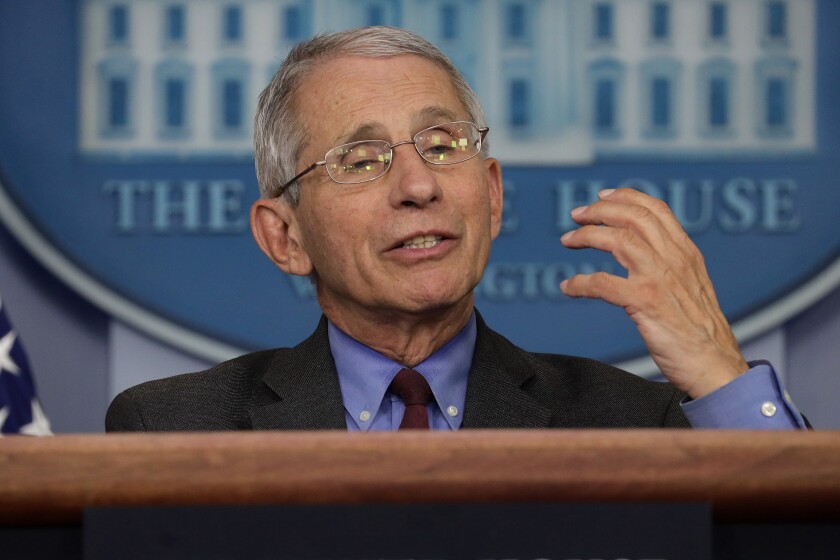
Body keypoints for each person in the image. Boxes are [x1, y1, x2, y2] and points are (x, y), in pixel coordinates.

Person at [106, 26, 805, 432]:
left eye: (443, 145)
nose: (419, 186)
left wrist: (722, 380)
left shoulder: (630, 421)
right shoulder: (172, 428)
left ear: (492, 196)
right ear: (283, 236)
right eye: (362, 159)